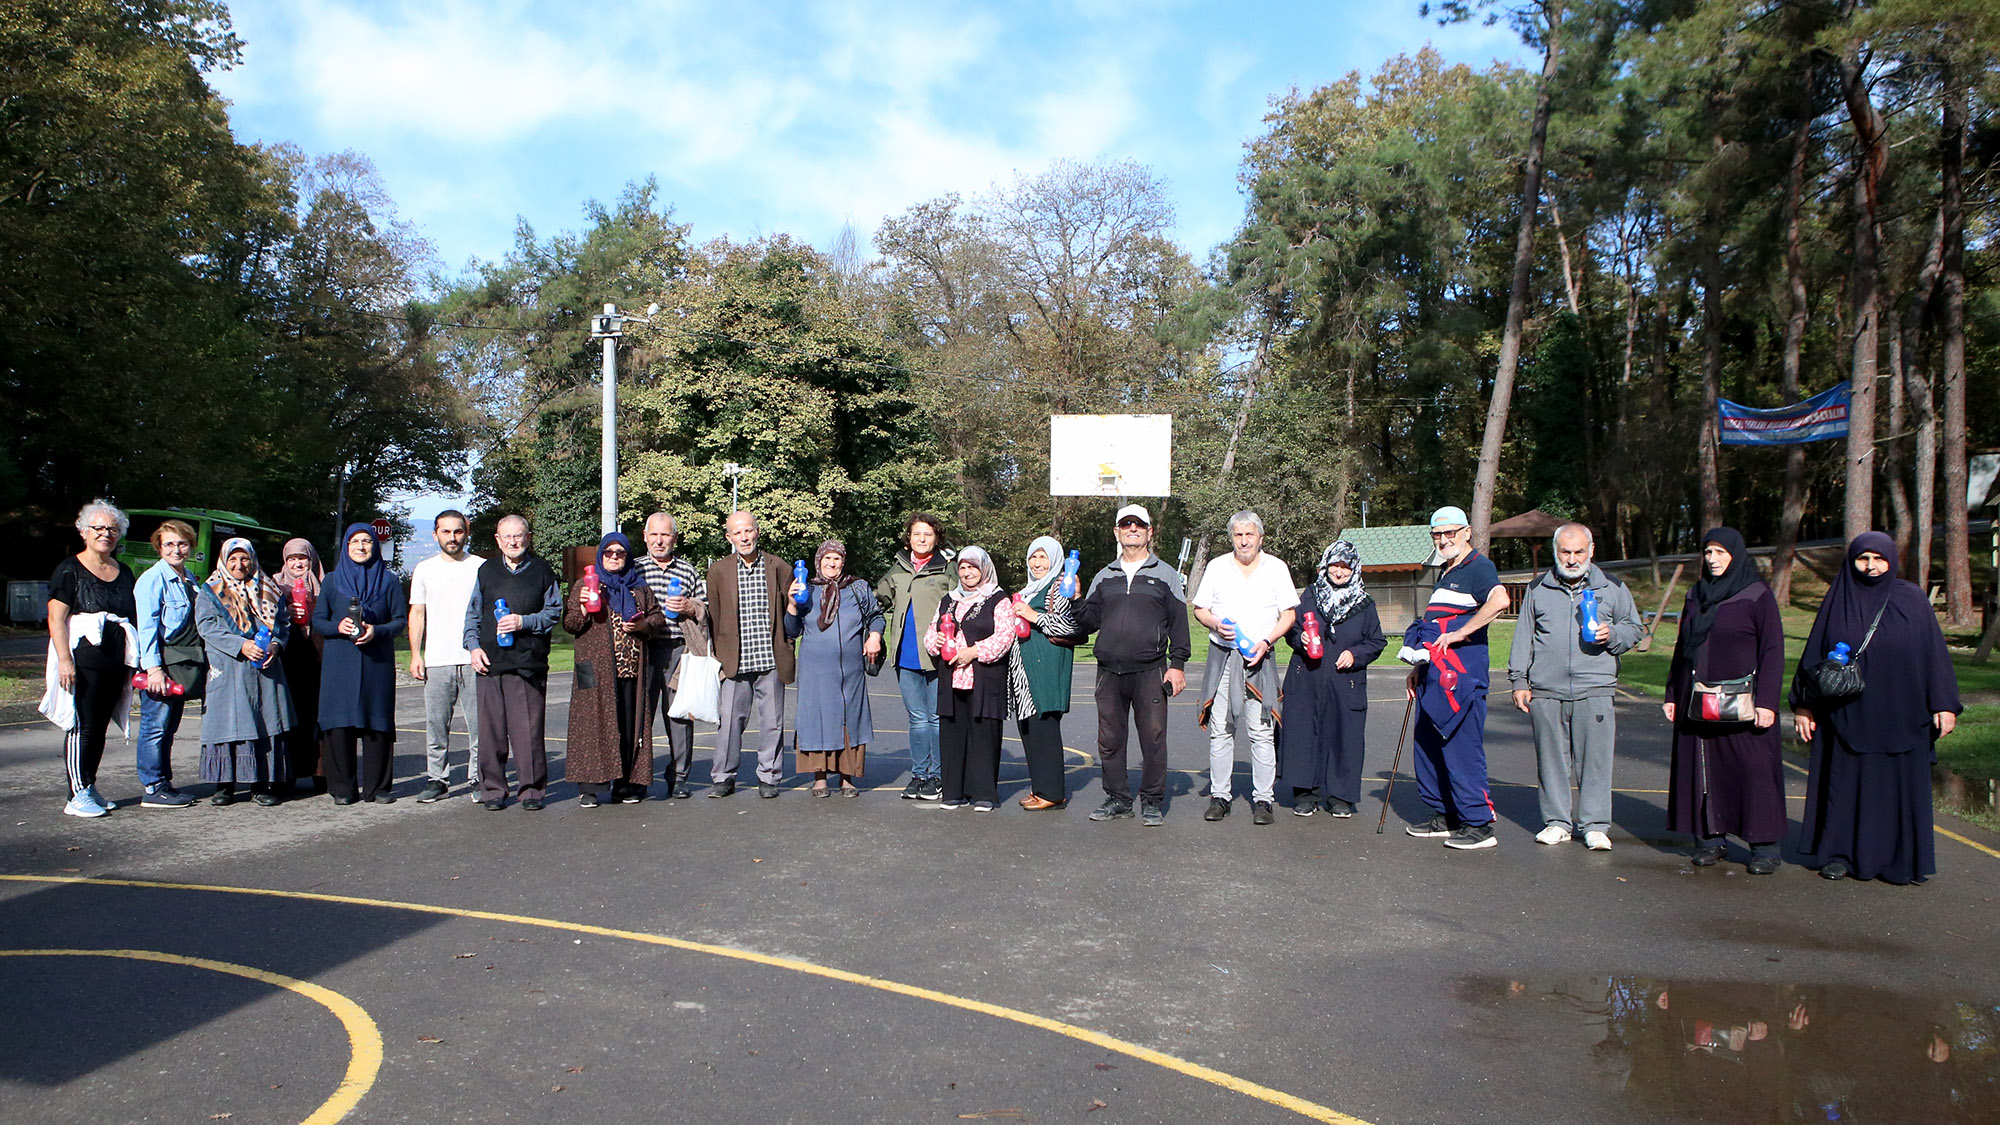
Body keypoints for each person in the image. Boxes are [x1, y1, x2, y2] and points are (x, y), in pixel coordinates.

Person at [1791, 532, 1961, 884]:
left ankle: (1897, 859)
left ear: (1891, 560)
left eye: (1878, 559)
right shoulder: (1838, 599)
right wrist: (1804, 707)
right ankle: (1839, 854)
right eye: (1862, 559)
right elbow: (1813, 657)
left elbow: (1934, 655)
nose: (1871, 566)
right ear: (1852, 561)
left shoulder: (1911, 599)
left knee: (1895, 787)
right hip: (1847, 713)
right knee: (1845, 785)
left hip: (1903, 712)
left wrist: (1944, 704)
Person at [1508, 523, 1643, 852]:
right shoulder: (1538, 588)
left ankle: (1595, 825)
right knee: (1551, 760)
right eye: (1565, 552)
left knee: (1594, 761)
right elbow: (1523, 636)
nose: (1571, 559)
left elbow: (1635, 629)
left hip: (1594, 688)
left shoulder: (1611, 587)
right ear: (1556, 552)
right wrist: (1519, 680)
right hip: (1546, 690)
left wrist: (1613, 635)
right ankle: (1556, 822)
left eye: (1578, 552)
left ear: (1591, 551)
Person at [1663, 527, 1787, 874]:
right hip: (1698, 699)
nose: (1713, 559)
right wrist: (1673, 693)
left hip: (1743, 700)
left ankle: (1764, 846)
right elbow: (1683, 648)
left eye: (1720, 552)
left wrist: (1767, 702)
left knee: (1753, 770)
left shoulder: (1756, 594)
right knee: (1704, 768)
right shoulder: (1696, 594)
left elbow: (1773, 650)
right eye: (1708, 552)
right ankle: (1710, 840)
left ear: (1735, 554)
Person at [1400, 506, 1510, 850]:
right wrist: (1419, 669)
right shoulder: (1445, 572)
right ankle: (1446, 815)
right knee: (1429, 746)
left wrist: (1463, 632)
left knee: (1461, 748)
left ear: (1466, 533)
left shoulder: (1479, 567)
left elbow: (1500, 600)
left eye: (1450, 533)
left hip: (1462, 679)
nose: (1444, 539)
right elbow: (1436, 629)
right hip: (1435, 677)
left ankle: (1478, 823)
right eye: (1437, 534)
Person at [1072, 505, 1190, 826]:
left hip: (1150, 670)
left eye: (1139, 525)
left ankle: (1152, 800)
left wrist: (1177, 664)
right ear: (1117, 532)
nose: (1132, 529)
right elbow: (1088, 622)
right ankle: (1118, 798)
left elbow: (1180, 623)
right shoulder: (1104, 575)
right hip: (1109, 671)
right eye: (1126, 524)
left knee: (1153, 738)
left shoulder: (1164, 574)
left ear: (1150, 532)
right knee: (1109, 739)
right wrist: (1077, 599)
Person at [1191, 511, 1296, 826]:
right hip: (1223, 658)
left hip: (1260, 659)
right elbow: (1200, 609)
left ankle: (1264, 800)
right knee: (1221, 732)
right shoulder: (1216, 567)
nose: (1244, 541)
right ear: (1232, 538)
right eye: (1238, 535)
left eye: (1250, 534)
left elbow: (1288, 614)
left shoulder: (1276, 568)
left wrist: (1266, 641)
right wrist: (1214, 623)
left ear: (1260, 537)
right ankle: (1220, 796)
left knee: (1262, 733)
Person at [42, 500, 139, 818]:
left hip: (114, 660)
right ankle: (76, 794)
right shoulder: (70, 569)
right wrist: (64, 660)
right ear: (84, 531)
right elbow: (56, 618)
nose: (106, 534)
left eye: (112, 528)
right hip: (82, 659)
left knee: (99, 727)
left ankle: (88, 785)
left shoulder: (123, 571)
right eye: (98, 527)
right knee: (81, 724)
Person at [1278, 539, 1386, 819]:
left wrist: (1355, 654)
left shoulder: (1364, 603)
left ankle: (1340, 796)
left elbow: (1376, 641)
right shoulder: (1310, 595)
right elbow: (1290, 628)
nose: (1339, 572)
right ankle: (1305, 793)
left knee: (1344, 737)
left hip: (1345, 680)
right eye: (1334, 565)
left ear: (1354, 569)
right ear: (1325, 566)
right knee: (1303, 733)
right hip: (1307, 676)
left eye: (1345, 567)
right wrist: (1299, 639)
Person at [463, 514, 562, 811]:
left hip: (527, 665)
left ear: (528, 538)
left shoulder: (543, 571)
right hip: (490, 664)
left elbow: (553, 612)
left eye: (518, 536)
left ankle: (531, 791)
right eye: (507, 537)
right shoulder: (486, 571)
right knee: (491, 735)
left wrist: (524, 621)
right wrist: (473, 647)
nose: (513, 541)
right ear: (498, 540)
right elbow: (473, 615)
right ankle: (493, 790)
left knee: (527, 733)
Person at [563, 532, 665, 807]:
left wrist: (643, 625)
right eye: (609, 553)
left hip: (629, 669)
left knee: (628, 727)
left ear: (627, 556)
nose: (614, 558)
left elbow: (657, 618)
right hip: (592, 669)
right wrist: (584, 609)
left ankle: (626, 784)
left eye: (620, 553)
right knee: (591, 725)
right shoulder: (584, 586)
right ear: (601, 556)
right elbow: (570, 624)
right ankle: (590, 787)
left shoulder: (639, 588)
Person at [195, 538, 296, 805]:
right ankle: (224, 785)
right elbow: (207, 627)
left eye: (244, 559)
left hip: (265, 668)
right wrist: (241, 645)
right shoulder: (210, 591)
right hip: (230, 666)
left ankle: (260, 785)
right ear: (224, 561)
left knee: (264, 722)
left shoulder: (268, 588)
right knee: (228, 723)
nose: (240, 565)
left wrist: (275, 645)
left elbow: (283, 623)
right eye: (233, 559)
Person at [313, 523, 407, 805]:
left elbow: (399, 621)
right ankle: (342, 788)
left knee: (376, 722)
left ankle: (377, 788)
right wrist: (337, 626)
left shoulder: (389, 581)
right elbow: (318, 621)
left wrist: (376, 631)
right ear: (346, 546)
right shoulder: (331, 580)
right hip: (339, 663)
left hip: (375, 661)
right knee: (339, 723)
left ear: (375, 546)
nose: (361, 547)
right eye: (354, 541)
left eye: (366, 541)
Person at [705, 510, 795, 798]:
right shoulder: (718, 571)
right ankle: (724, 776)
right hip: (734, 660)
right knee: (729, 722)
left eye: (748, 531)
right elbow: (714, 616)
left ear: (757, 531)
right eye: (737, 533)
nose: (744, 537)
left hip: (770, 659)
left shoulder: (779, 567)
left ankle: (769, 777)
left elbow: (790, 615)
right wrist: (719, 653)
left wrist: (788, 644)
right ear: (728, 537)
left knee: (772, 722)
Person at [786, 540, 885, 796]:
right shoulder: (806, 588)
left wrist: (874, 636)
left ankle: (847, 777)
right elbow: (791, 629)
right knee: (818, 719)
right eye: (827, 559)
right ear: (818, 561)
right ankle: (819, 777)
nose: (832, 563)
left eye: (837, 559)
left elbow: (876, 616)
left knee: (849, 720)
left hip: (850, 671)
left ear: (843, 562)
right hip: (815, 671)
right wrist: (792, 605)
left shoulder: (858, 588)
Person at [923, 547, 1016, 811]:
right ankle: (953, 791)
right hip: (951, 677)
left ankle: (984, 793)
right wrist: (936, 641)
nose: (967, 573)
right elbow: (931, 634)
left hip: (984, 677)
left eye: (972, 567)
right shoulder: (948, 600)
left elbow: (1004, 636)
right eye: (962, 568)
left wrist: (973, 652)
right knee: (952, 732)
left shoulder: (998, 600)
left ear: (984, 569)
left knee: (983, 732)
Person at [875, 513, 954, 801]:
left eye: (928, 534)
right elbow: (876, 599)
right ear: (908, 538)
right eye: (917, 534)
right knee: (917, 720)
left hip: (935, 656)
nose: (921, 539)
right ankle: (919, 774)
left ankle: (938, 776)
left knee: (935, 719)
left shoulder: (947, 569)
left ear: (936, 539)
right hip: (905, 656)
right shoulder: (898, 568)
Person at [408, 510, 483, 803]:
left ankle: (478, 777)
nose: (452, 538)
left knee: (479, 725)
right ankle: (437, 778)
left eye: (458, 532)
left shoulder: (481, 567)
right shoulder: (424, 569)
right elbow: (417, 612)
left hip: (473, 658)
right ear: (435, 534)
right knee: (436, 724)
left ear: (467, 533)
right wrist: (416, 654)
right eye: (446, 532)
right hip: (437, 659)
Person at [633, 511, 706, 798]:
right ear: (645, 537)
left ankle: (680, 777)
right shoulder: (634, 569)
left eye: (665, 535)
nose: (659, 541)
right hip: (643, 650)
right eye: (654, 535)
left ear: (674, 538)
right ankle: (637, 778)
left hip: (678, 650)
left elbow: (706, 606)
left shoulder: (687, 570)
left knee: (678, 716)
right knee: (641, 715)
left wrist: (691, 606)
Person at [131, 518, 203, 808]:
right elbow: (146, 628)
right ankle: (152, 786)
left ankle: (164, 783)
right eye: (169, 544)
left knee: (169, 726)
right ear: (159, 548)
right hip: (161, 662)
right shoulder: (151, 580)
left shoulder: (190, 579)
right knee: (155, 726)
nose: (176, 549)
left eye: (182, 543)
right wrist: (153, 670)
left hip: (181, 663)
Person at [1010, 536, 1077, 810]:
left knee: (1045, 729)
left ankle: (1052, 792)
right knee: (1029, 729)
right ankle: (1039, 788)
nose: (1037, 563)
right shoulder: (1030, 589)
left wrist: (1032, 615)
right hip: (1025, 670)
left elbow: (1067, 626)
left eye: (1043, 557)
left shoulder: (1060, 587)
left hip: (1046, 669)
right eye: (1033, 557)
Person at [276, 540, 326, 794]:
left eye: (302, 558)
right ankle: (288, 775)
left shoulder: (324, 584)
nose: (297, 563)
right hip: (288, 659)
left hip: (318, 659)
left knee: (317, 714)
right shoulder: (274, 584)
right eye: (291, 559)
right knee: (288, 714)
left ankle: (321, 773)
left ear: (312, 559)